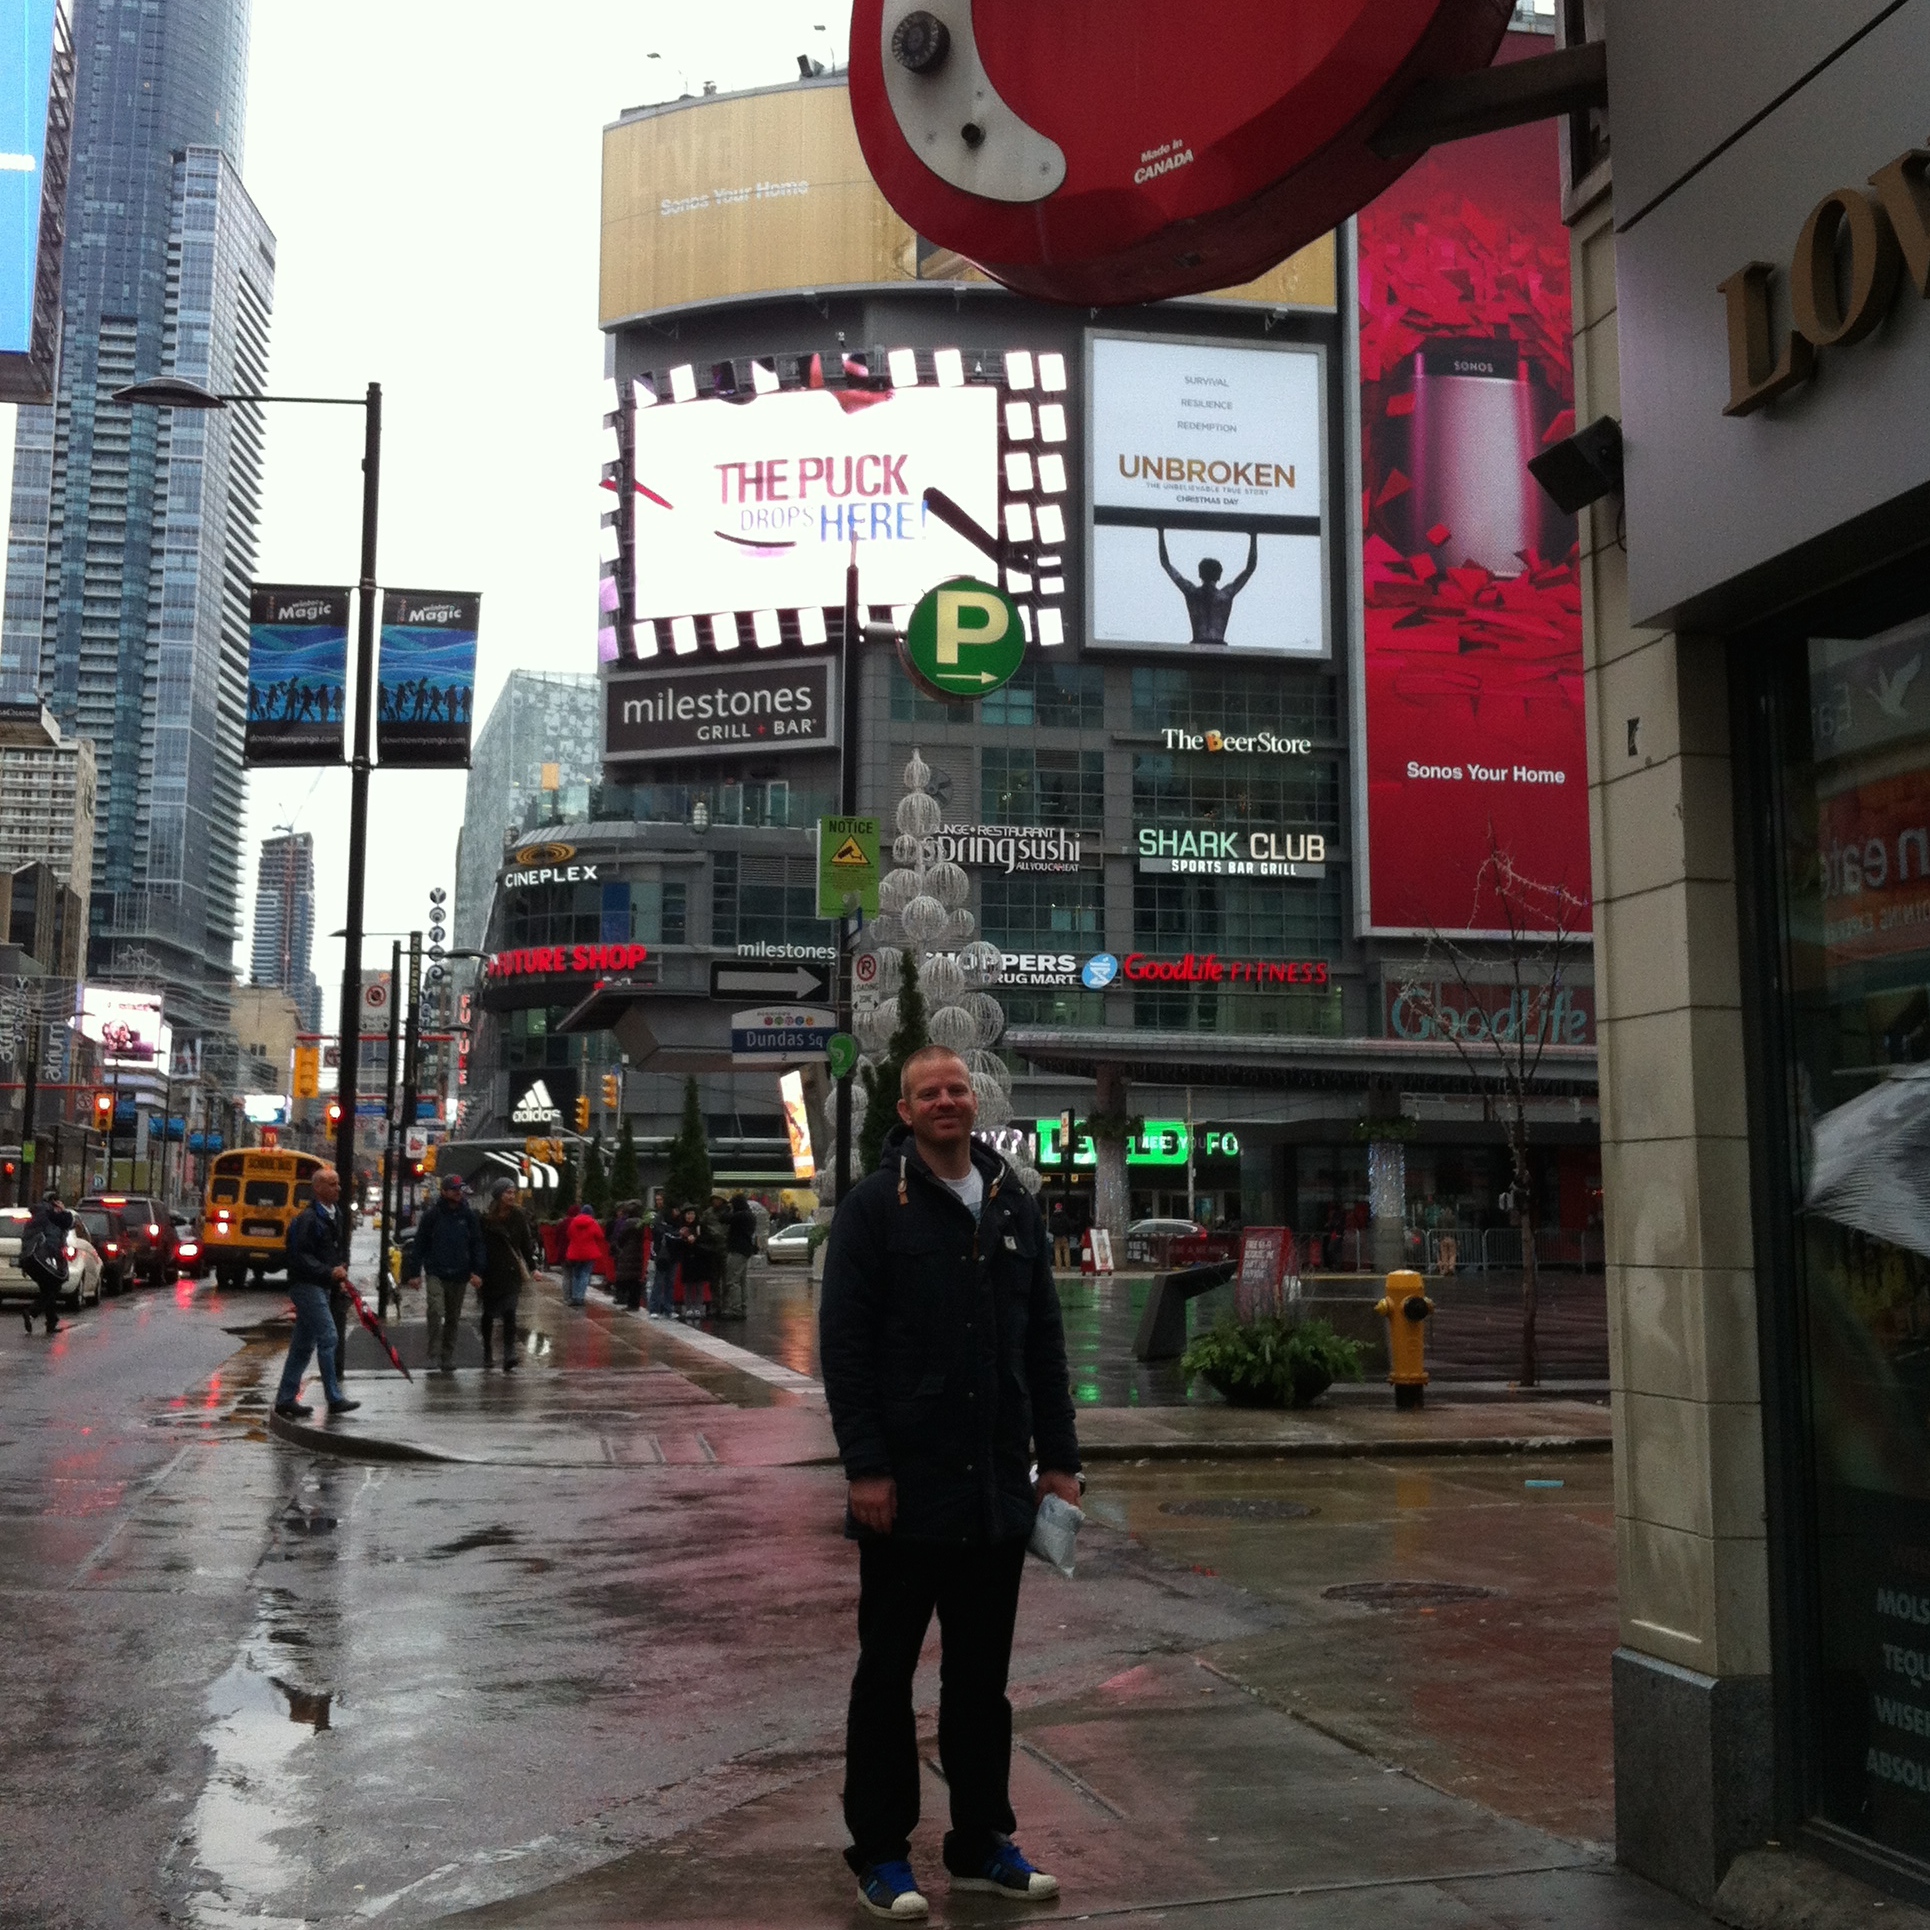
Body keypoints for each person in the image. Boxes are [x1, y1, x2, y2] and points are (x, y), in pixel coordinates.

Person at [820, 1043, 1080, 1921]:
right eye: (929, 1092)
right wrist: (866, 1467)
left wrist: (1062, 1461)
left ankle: (980, 1845)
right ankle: (883, 1854)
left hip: (995, 1490)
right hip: (904, 1491)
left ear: (977, 1103)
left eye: (957, 1089)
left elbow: (1043, 1343)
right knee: (886, 1675)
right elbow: (846, 1352)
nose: (946, 1102)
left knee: (981, 1681)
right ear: (905, 1111)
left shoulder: (1013, 1205)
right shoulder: (873, 1209)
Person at [274, 1165, 360, 1420]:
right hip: (307, 1285)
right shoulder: (309, 1219)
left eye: (338, 1183)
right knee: (328, 1336)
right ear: (318, 1188)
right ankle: (333, 1398)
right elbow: (299, 1256)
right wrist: (329, 1272)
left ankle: (285, 1399)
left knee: (302, 1345)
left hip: (321, 1285)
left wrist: (339, 1269)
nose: (338, 1188)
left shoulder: (336, 1214)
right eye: (332, 1184)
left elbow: (337, 1249)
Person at [406, 1172, 486, 1371]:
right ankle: (433, 1352)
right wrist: (414, 1273)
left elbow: (477, 1243)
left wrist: (477, 1271)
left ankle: (446, 1356)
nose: (458, 1193)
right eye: (453, 1189)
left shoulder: (468, 1216)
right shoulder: (432, 1215)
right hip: (436, 1272)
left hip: (460, 1273)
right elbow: (420, 1244)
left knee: (453, 1317)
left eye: (460, 1189)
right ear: (443, 1191)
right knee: (435, 1309)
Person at [1156, 526, 1259, 645]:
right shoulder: (1225, 595)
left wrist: (1161, 532)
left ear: (1200, 574)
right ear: (1219, 576)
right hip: (1218, 646)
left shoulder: (1192, 593)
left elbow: (1166, 564)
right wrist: (1253, 536)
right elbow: (1250, 568)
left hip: (1198, 645)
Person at [478, 1179, 539, 1370]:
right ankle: (487, 1350)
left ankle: (509, 1352)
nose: (512, 1196)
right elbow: (478, 1246)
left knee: (510, 1311)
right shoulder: (486, 1218)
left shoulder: (518, 1216)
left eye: (513, 1192)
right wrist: (475, 1270)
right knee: (488, 1313)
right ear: (498, 1195)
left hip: (511, 1272)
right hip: (489, 1273)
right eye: (508, 1193)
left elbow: (525, 1245)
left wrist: (533, 1267)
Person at [18, 1187, 74, 1335]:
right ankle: (32, 1312)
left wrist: (23, 1262)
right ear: (54, 1201)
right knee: (54, 1285)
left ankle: (51, 1321)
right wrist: (62, 1210)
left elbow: (26, 1238)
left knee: (48, 1289)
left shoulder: (36, 1215)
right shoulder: (50, 1214)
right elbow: (67, 1222)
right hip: (46, 1259)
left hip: (32, 1259)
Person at [561, 1198, 611, 1307]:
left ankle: (574, 1297)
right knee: (585, 1275)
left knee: (576, 1274)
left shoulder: (574, 1222)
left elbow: (569, 1234)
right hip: (589, 1253)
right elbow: (600, 1236)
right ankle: (580, 1297)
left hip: (575, 1253)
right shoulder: (593, 1223)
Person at [721, 1192, 756, 1319]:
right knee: (742, 1280)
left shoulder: (740, 1215)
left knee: (732, 1280)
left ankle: (735, 1309)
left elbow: (724, 1218)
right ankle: (742, 1307)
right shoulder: (750, 1215)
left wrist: (727, 1208)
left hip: (737, 1250)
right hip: (745, 1250)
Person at [610, 1200, 648, 1312]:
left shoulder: (627, 1223)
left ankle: (629, 1303)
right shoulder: (643, 1222)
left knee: (628, 1279)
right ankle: (635, 1303)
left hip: (628, 1253)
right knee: (636, 1280)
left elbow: (621, 1238)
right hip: (639, 1253)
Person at [649, 1198, 681, 1317]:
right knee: (659, 1281)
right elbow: (658, 1231)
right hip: (663, 1254)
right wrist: (674, 1234)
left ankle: (668, 1308)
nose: (677, 1212)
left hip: (674, 1254)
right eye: (675, 1209)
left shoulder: (677, 1220)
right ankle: (654, 1308)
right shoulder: (660, 1217)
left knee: (670, 1282)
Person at [1048, 1200, 1071, 1272]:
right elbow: (1069, 1226)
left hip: (1056, 1237)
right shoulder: (1065, 1216)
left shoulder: (1053, 1217)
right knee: (1066, 1251)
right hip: (1064, 1236)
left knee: (1057, 1252)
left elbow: (1050, 1228)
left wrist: (1055, 1233)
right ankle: (1067, 1267)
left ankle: (1058, 1267)